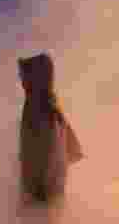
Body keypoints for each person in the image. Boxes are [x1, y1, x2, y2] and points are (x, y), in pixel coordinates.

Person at [18, 53, 83, 201]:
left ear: (35, 78)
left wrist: (39, 192)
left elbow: (49, 152)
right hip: (42, 192)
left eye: (24, 76)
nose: (21, 80)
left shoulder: (41, 108)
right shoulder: (47, 105)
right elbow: (73, 152)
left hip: (41, 195)